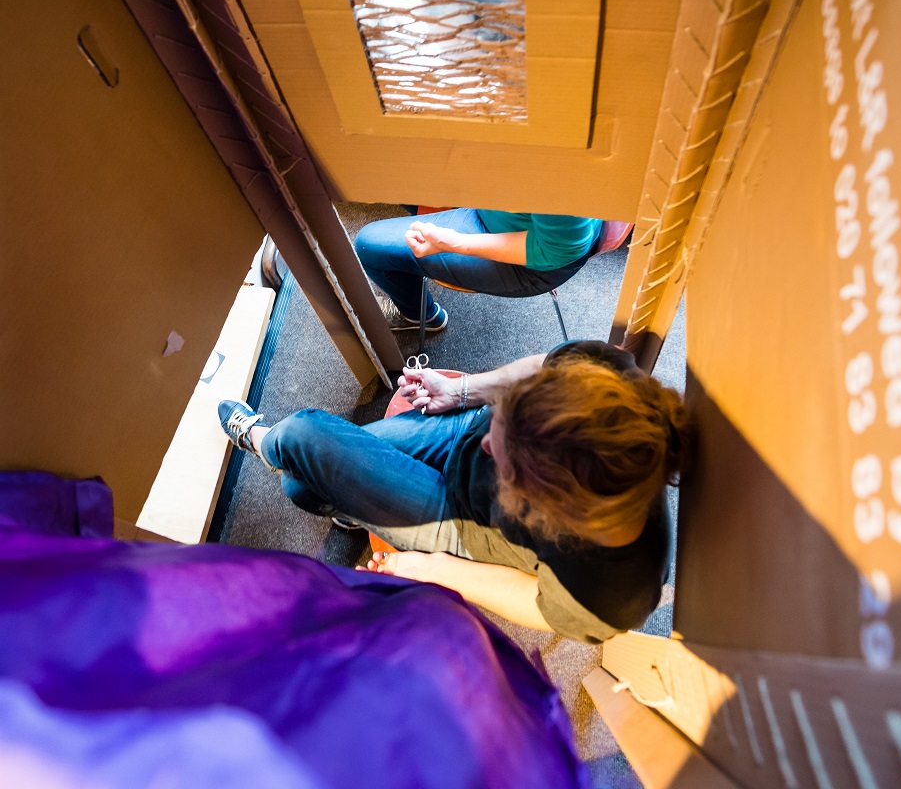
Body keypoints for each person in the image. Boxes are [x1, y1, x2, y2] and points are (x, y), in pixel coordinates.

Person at [218, 341, 693, 644]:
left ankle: (263, 441)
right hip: (461, 437)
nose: (488, 447)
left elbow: (539, 603)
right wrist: (463, 391)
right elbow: (538, 368)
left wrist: (433, 569)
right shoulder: (606, 382)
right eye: (507, 417)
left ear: (551, 512)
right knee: (306, 478)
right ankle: (349, 506)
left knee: (300, 458)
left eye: (502, 460)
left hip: (470, 525)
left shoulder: (616, 592)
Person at [354, 209, 604, 331]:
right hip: (497, 211)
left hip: (532, 259)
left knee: (370, 245)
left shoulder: (559, 172)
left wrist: (452, 243)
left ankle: (420, 316)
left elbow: (557, 251)